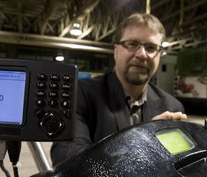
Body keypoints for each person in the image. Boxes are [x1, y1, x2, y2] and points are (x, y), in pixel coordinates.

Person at [51, 13, 187, 166]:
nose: (142, 54)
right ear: (116, 51)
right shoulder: (81, 94)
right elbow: (66, 156)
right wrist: (141, 144)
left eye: (151, 48)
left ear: (159, 55)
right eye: (132, 44)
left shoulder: (172, 107)